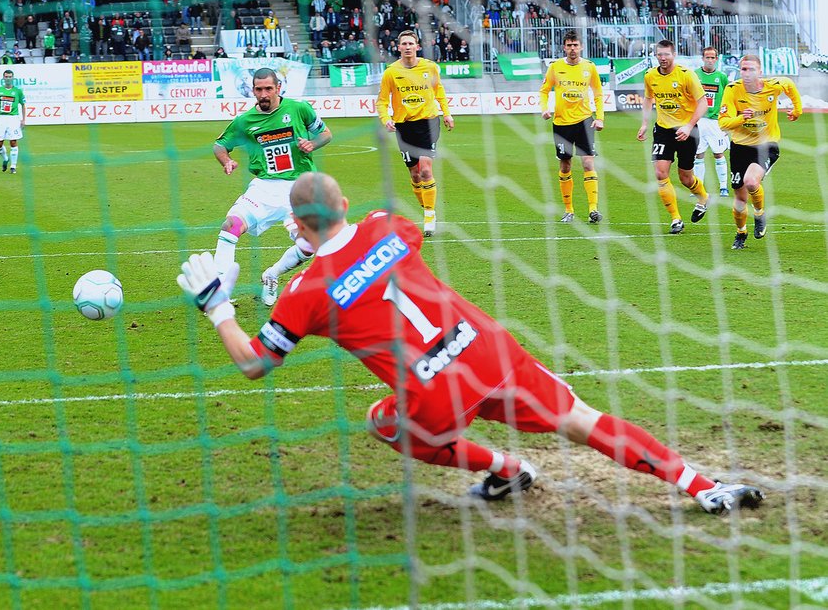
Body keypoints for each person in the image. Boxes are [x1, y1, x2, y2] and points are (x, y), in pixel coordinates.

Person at [177, 171, 765, 515]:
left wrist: (218, 306)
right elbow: (367, 248)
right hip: (485, 347)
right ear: (346, 207)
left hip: (432, 387)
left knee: (385, 423)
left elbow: (257, 362)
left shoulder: (302, 295)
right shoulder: (391, 226)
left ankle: (504, 468)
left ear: (295, 225)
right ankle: (705, 487)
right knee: (583, 419)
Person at [212, 67, 332, 306]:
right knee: (230, 227)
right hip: (264, 187)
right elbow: (220, 145)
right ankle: (218, 294)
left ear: (278, 88)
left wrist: (312, 144)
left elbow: (326, 134)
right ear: (253, 91)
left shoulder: (299, 109)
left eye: (268, 88)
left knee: (308, 246)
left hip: (300, 189)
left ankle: (272, 275)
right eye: (259, 89)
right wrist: (227, 161)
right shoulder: (245, 121)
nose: (264, 94)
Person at [718, 55, 803, 250]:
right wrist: (740, 118)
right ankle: (741, 233)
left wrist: (797, 109)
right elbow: (723, 123)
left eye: (751, 69)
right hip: (740, 147)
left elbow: (789, 85)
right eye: (744, 69)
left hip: (767, 144)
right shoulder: (732, 90)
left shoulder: (773, 85)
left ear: (760, 72)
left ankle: (759, 213)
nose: (747, 74)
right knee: (739, 200)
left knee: (751, 181)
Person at [375, 29, 454, 237]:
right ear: (398, 47)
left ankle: (430, 214)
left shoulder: (429, 67)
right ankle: (425, 205)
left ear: (417, 46)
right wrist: (386, 119)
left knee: (426, 170)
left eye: (411, 44)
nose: (408, 47)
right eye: (404, 44)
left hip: (428, 122)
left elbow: (439, 92)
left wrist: (447, 114)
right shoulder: (391, 72)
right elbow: (382, 101)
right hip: (404, 126)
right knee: (415, 174)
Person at [636, 39, 710, 234]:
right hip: (663, 130)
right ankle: (676, 219)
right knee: (660, 173)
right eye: (659, 54)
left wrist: (689, 125)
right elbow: (648, 98)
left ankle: (703, 198)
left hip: (688, 131)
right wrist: (644, 123)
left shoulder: (687, 75)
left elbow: (703, 103)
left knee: (686, 178)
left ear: (674, 55)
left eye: (666, 54)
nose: (662, 58)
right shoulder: (650, 75)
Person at [538, 30, 604, 224]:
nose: (572, 48)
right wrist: (544, 109)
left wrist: (599, 118)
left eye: (575, 45)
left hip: (585, 121)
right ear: (564, 47)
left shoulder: (589, 67)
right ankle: (569, 210)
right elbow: (544, 91)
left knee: (588, 163)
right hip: (561, 123)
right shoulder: (555, 67)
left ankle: (593, 209)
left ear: (581, 46)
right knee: (565, 164)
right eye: (569, 45)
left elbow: (598, 94)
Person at [693, 46, 731, 198]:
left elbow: (729, 98)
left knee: (718, 153)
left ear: (716, 59)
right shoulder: (694, 75)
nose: (709, 60)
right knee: (698, 154)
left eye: (712, 57)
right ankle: (699, 187)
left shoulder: (722, 77)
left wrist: (727, 120)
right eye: (707, 57)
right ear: (702, 58)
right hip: (699, 120)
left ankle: (723, 187)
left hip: (716, 122)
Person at [0, 69, 26, 174]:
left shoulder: (18, 91)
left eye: (10, 77)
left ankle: (13, 166)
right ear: (3, 78)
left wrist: (23, 119)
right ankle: (5, 159)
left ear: (13, 78)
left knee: (13, 141)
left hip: (13, 118)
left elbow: (23, 105)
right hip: (1, 118)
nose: (8, 78)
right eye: (6, 76)